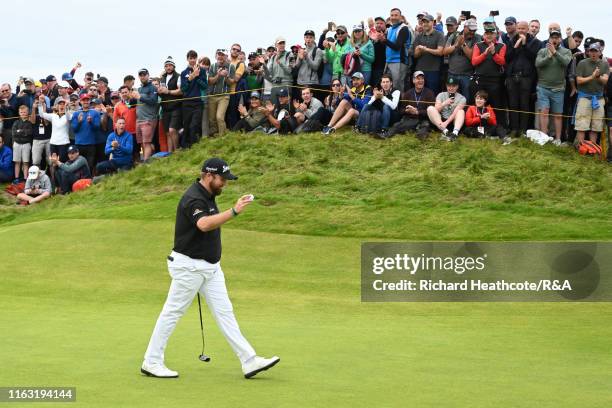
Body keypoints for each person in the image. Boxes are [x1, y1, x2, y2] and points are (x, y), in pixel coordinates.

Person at [142, 158, 280, 379]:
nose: (224, 183)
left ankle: (249, 361)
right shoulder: (193, 198)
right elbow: (204, 224)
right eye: (222, 179)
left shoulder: (209, 195)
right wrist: (234, 211)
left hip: (211, 268)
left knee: (225, 313)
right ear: (208, 176)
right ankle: (152, 361)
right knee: (172, 313)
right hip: (190, 268)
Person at [535, 29, 573, 145]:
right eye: (553, 37)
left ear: (560, 39)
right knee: (544, 112)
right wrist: (549, 56)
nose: (555, 39)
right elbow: (538, 64)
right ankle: (544, 137)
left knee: (557, 115)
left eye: (557, 37)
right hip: (543, 87)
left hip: (558, 89)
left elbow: (566, 62)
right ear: (549, 39)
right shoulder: (542, 51)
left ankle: (558, 139)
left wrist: (555, 53)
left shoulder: (566, 51)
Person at [505, 21, 541, 137]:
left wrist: (524, 44)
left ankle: (523, 130)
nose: (521, 30)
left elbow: (534, 58)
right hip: (512, 77)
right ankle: (514, 129)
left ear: (527, 29)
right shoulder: (512, 40)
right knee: (513, 104)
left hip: (526, 78)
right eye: (519, 28)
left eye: (523, 28)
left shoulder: (535, 42)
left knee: (525, 104)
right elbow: (507, 58)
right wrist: (515, 47)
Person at [471, 25, 507, 128]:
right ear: (484, 35)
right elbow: (474, 62)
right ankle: (477, 126)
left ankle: (500, 128)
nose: (489, 35)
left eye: (491, 33)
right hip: (480, 79)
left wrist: (493, 53)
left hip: (495, 80)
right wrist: (485, 54)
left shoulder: (501, 45)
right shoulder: (478, 45)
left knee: (496, 105)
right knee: (479, 104)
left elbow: (502, 62)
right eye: (487, 33)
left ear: (495, 35)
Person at [381, 71, 435, 139]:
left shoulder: (430, 93)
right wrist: (407, 111)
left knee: (424, 127)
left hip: (423, 119)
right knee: (397, 125)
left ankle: (418, 131)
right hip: (411, 119)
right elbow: (401, 110)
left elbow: (432, 111)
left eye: (422, 79)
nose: (420, 81)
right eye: (418, 79)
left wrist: (417, 112)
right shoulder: (408, 93)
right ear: (413, 80)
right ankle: (385, 135)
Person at [575, 42, 610, 144]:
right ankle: (581, 148)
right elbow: (579, 81)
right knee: (581, 125)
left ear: (600, 52)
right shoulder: (582, 63)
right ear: (588, 52)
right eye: (591, 51)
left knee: (596, 126)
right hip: (584, 98)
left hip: (599, 99)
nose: (593, 53)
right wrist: (592, 76)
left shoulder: (605, 64)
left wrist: (598, 76)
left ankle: (592, 149)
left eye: (596, 51)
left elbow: (605, 81)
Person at [444, 19, 480, 98]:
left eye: (474, 30)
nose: (472, 32)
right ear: (465, 27)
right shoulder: (454, 35)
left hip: (466, 75)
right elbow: (445, 51)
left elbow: (472, 56)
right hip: (452, 73)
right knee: (451, 98)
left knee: (466, 99)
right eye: (470, 30)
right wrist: (456, 45)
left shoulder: (477, 38)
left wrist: (463, 44)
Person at [379, 8, 411, 92]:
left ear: (400, 17)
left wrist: (384, 40)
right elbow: (387, 44)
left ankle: (400, 105)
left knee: (398, 87)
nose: (393, 17)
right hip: (389, 61)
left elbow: (397, 46)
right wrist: (381, 39)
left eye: (396, 15)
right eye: (392, 15)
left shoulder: (404, 28)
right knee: (387, 86)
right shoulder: (389, 29)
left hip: (399, 61)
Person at [412, 13, 445, 94]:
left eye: (427, 22)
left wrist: (425, 49)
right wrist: (419, 50)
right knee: (419, 93)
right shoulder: (419, 36)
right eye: (423, 22)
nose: (425, 24)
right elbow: (415, 55)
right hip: (419, 69)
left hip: (433, 70)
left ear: (433, 23)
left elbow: (440, 52)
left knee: (433, 93)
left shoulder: (439, 35)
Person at [180, 50, 208, 147]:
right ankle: (186, 147)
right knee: (186, 126)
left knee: (194, 125)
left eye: (194, 58)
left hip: (198, 102)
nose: (192, 60)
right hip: (187, 103)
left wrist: (197, 77)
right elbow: (183, 88)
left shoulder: (202, 71)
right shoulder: (183, 73)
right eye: (190, 58)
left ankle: (196, 146)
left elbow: (204, 86)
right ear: (187, 59)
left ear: (196, 59)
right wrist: (191, 77)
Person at [427, 77, 466, 141]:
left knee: (461, 111)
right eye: (449, 86)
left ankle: (454, 134)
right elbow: (436, 109)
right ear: (446, 86)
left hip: (453, 121)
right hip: (440, 122)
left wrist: (446, 123)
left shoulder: (462, 98)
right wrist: (444, 103)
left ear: (457, 86)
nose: (451, 88)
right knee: (430, 108)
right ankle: (446, 132)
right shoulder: (441, 95)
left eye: (453, 86)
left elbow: (455, 113)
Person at [207, 50, 235, 137]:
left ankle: (222, 137)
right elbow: (210, 81)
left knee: (219, 117)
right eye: (219, 55)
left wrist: (226, 76)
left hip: (224, 96)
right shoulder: (212, 66)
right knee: (212, 119)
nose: (220, 57)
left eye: (223, 55)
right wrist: (218, 75)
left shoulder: (231, 67)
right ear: (216, 56)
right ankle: (214, 136)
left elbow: (231, 82)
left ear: (226, 56)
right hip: (212, 96)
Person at [159, 57, 183, 153]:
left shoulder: (178, 76)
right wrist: (159, 90)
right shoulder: (162, 77)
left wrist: (168, 91)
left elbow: (181, 91)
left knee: (173, 130)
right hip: (165, 108)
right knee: (168, 133)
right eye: (166, 66)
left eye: (170, 65)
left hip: (176, 107)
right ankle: (170, 153)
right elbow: (161, 92)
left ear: (174, 66)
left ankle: (177, 150)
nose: (168, 67)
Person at [71, 94, 100, 171]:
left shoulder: (95, 113)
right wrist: (79, 122)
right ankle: (80, 182)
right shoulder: (76, 113)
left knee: (90, 166)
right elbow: (74, 129)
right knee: (79, 167)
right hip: (79, 144)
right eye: (84, 100)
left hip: (91, 144)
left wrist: (91, 122)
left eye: (87, 100)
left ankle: (89, 182)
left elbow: (97, 128)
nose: (86, 102)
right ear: (80, 101)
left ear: (89, 101)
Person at [135, 68, 159, 161]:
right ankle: (146, 161)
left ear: (148, 75)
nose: (142, 76)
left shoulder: (152, 87)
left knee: (147, 143)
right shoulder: (139, 88)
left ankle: (145, 163)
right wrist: (132, 98)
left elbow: (153, 101)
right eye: (140, 75)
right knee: (142, 143)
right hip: (139, 119)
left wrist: (140, 97)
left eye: (144, 74)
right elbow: (136, 102)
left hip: (148, 119)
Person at [263, 38, 294, 104]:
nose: (282, 45)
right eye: (280, 43)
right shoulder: (273, 57)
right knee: (275, 109)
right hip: (275, 86)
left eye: (283, 43)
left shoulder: (289, 54)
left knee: (285, 108)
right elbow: (269, 73)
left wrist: (279, 62)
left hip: (286, 84)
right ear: (276, 45)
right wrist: (263, 64)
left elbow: (290, 71)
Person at [295, 30, 323, 99]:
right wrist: (300, 59)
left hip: (312, 83)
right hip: (300, 83)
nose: (308, 39)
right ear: (304, 38)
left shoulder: (318, 50)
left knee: (311, 105)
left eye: (310, 37)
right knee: (301, 105)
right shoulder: (301, 50)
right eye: (307, 37)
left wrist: (306, 57)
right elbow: (296, 66)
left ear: (314, 38)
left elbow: (315, 67)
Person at [11, 105, 33, 183]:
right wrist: (23, 132)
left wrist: (20, 131)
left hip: (26, 144)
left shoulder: (30, 123)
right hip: (17, 143)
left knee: (25, 162)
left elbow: (30, 132)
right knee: (17, 162)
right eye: (21, 112)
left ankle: (25, 178)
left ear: (27, 112)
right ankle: (16, 178)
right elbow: (14, 133)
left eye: (24, 112)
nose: (23, 114)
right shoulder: (16, 122)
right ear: (19, 113)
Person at [370, 17, 388, 87]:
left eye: (381, 23)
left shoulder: (388, 34)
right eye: (377, 23)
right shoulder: (370, 36)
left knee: (380, 87)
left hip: (382, 67)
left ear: (385, 25)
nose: (379, 25)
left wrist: (381, 39)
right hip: (371, 67)